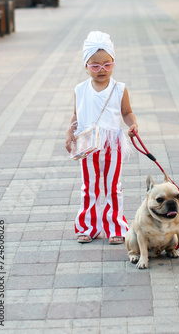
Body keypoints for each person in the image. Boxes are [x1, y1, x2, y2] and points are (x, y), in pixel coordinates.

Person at [65, 31, 138, 244]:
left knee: (113, 185)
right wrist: (69, 131)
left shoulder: (119, 88)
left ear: (114, 62)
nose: (102, 70)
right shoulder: (80, 89)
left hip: (112, 144)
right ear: (86, 65)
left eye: (107, 64)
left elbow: (126, 112)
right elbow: (76, 115)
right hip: (88, 144)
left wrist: (133, 124)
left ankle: (116, 226)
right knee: (89, 186)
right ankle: (88, 226)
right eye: (95, 65)